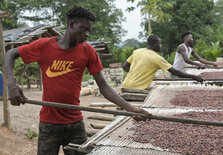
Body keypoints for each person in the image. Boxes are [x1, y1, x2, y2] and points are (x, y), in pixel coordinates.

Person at [4, 6, 150, 155]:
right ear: (71, 24)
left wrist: (130, 108)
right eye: (83, 29)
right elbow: (10, 54)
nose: (87, 34)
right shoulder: (44, 46)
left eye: (89, 31)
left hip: (75, 124)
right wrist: (11, 84)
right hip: (49, 124)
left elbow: (104, 86)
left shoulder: (88, 51)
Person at [121, 35, 204, 90]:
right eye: (159, 44)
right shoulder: (157, 58)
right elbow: (175, 72)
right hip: (137, 88)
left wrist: (138, 75)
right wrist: (195, 77)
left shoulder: (137, 51)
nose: (161, 46)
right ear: (154, 44)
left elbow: (125, 67)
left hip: (125, 85)